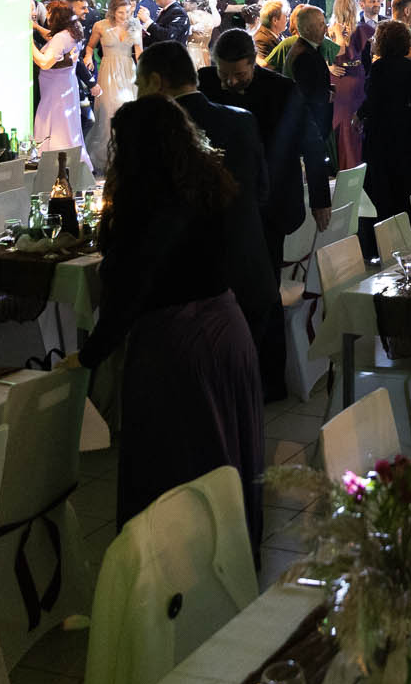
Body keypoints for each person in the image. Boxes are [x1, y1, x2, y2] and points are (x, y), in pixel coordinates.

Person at [69, 98, 265, 546]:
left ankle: (174, 569)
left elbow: (127, 292)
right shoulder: (209, 184)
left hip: (177, 346)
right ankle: (228, 556)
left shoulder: (145, 203)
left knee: (174, 467)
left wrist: (89, 356)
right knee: (224, 456)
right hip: (228, 328)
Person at [135, 43, 282, 400]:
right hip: (250, 271)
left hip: (196, 293)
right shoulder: (242, 120)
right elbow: (262, 192)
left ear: (156, 82)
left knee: (201, 400)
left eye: (139, 84)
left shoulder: (154, 132)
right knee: (239, 395)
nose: (137, 93)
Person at [199, 28, 332, 304]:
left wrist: (320, 198)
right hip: (221, 205)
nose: (231, 81)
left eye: (240, 74)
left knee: (265, 287)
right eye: (224, 74)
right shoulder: (205, 83)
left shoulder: (281, 90)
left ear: (253, 64)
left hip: (271, 201)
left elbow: (312, 143)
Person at [358, 21, 411, 227]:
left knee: (380, 184)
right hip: (404, 130)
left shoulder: (378, 67)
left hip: (380, 131)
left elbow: (372, 99)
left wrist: (359, 115)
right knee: (403, 182)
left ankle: (381, 230)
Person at [267, 4, 336, 156]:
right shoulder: (304, 54)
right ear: (307, 29)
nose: (326, 28)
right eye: (321, 24)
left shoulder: (307, 48)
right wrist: (328, 95)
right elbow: (306, 94)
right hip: (309, 127)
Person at [85, 0, 143, 167]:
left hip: (128, 71)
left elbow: (139, 52)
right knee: (109, 112)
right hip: (108, 71)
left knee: (128, 110)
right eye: (120, 13)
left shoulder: (135, 25)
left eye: (127, 12)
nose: (125, 16)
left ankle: (127, 155)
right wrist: (88, 56)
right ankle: (106, 158)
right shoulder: (100, 26)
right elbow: (90, 46)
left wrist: (144, 72)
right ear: (112, 11)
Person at [33, 0, 89, 160]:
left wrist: (29, 43)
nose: (47, 16)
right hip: (66, 87)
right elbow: (52, 39)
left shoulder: (61, 37)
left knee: (57, 128)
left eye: (49, 13)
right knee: (68, 128)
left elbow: (45, 63)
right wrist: (37, 27)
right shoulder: (72, 33)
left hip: (55, 91)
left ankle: (56, 164)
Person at [326, 0, 370, 170]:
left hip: (349, 77)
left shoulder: (360, 29)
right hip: (345, 78)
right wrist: (329, 65)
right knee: (346, 122)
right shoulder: (332, 29)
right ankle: (349, 164)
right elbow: (339, 52)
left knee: (351, 120)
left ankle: (353, 164)